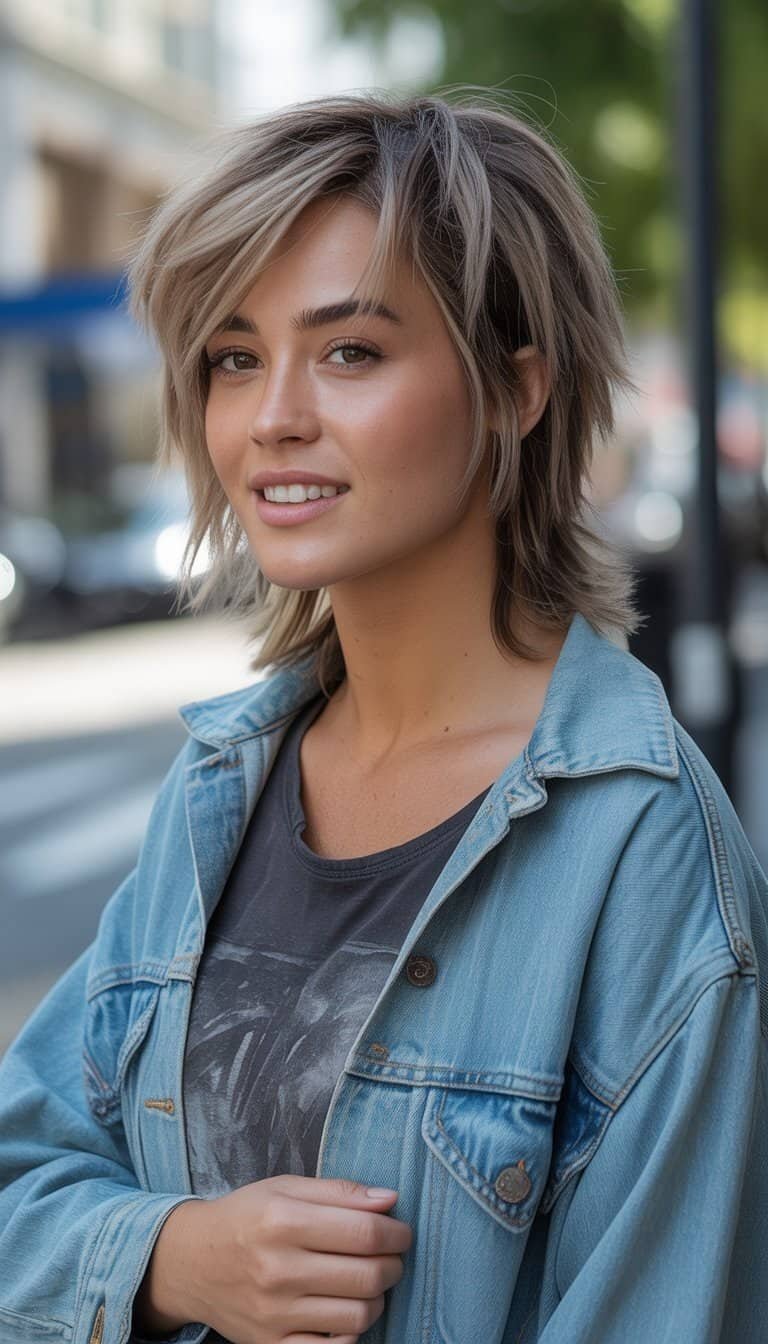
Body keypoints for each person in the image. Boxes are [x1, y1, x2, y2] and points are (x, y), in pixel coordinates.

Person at [1, 90, 766, 1344]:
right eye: (235, 358)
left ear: (516, 390)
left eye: (350, 350)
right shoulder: (217, 795)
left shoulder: (642, 854)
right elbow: (21, 1176)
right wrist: (172, 1257)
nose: (275, 416)